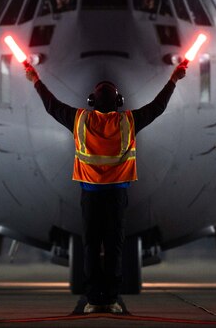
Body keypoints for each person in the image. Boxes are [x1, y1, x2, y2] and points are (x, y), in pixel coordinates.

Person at [23, 61, 188, 314]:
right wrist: (174, 79)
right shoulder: (128, 122)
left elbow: (50, 104)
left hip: (90, 195)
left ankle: (93, 299)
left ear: (92, 101)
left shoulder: (79, 120)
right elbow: (158, 107)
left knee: (91, 246)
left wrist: (34, 78)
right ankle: (110, 299)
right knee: (113, 248)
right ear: (118, 102)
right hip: (116, 195)